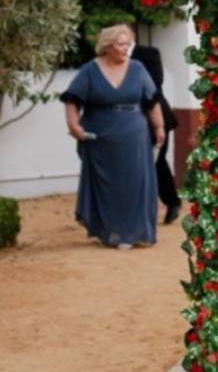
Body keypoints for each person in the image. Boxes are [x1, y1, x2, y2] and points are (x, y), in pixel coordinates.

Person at [61, 24, 165, 249]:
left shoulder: (137, 68)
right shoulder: (90, 70)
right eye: (120, 44)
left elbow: (152, 100)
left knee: (135, 183)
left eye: (128, 44)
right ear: (107, 46)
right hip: (100, 137)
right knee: (108, 185)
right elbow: (72, 100)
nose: (125, 49)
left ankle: (134, 233)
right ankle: (110, 232)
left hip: (134, 135)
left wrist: (159, 128)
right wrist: (73, 126)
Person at [130, 33, 181, 224]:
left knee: (156, 162)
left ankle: (172, 202)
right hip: (129, 119)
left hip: (157, 116)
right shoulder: (109, 60)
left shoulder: (149, 53)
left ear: (131, 35)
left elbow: (155, 84)